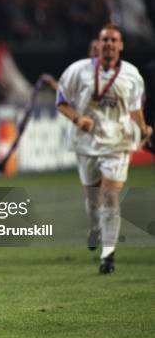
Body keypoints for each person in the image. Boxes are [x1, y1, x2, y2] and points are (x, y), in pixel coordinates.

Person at [56, 24, 152, 274]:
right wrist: (77, 119)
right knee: (92, 196)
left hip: (118, 142)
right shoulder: (77, 71)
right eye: (104, 40)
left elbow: (135, 108)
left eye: (113, 40)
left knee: (110, 196)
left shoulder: (132, 75)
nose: (108, 44)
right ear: (98, 44)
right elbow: (61, 101)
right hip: (86, 142)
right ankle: (95, 227)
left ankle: (107, 254)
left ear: (121, 45)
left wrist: (143, 128)